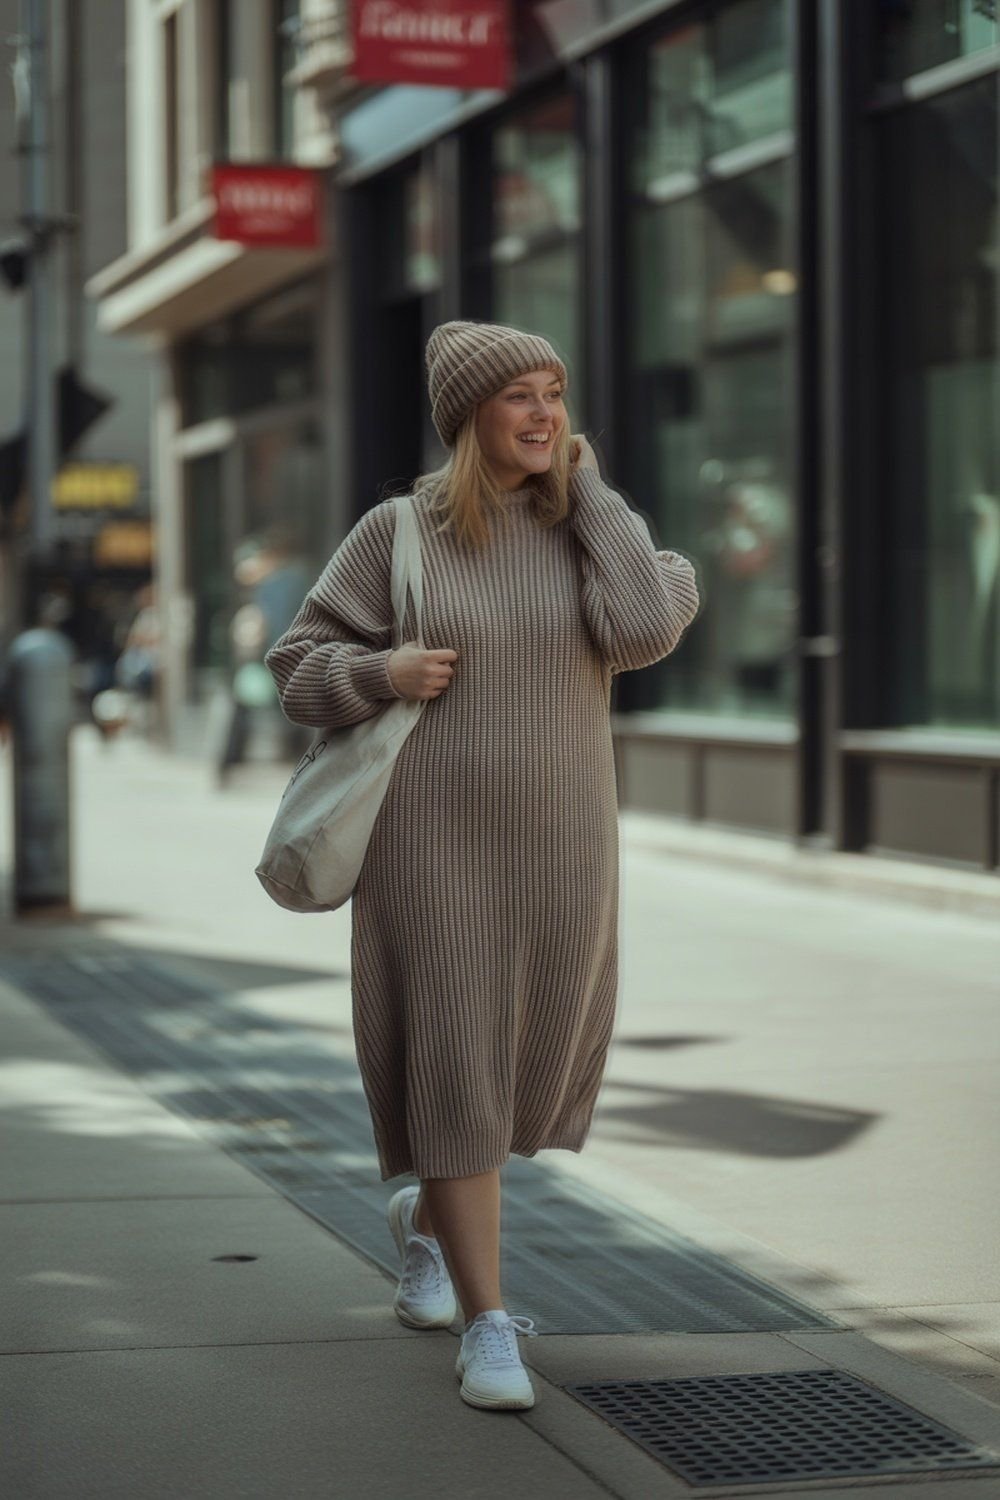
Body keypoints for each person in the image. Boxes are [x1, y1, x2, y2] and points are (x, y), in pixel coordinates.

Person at [264, 318, 701, 1411]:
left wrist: (591, 492)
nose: (545, 413)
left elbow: (646, 629)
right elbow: (294, 667)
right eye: (518, 396)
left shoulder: (597, 534)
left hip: (562, 849)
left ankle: (426, 1222)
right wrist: (382, 670)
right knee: (458, 1065)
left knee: (522, 1074)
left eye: (555, 392)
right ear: (470, 416)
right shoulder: (397, 532)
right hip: (430, 846)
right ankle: (488, 1323)